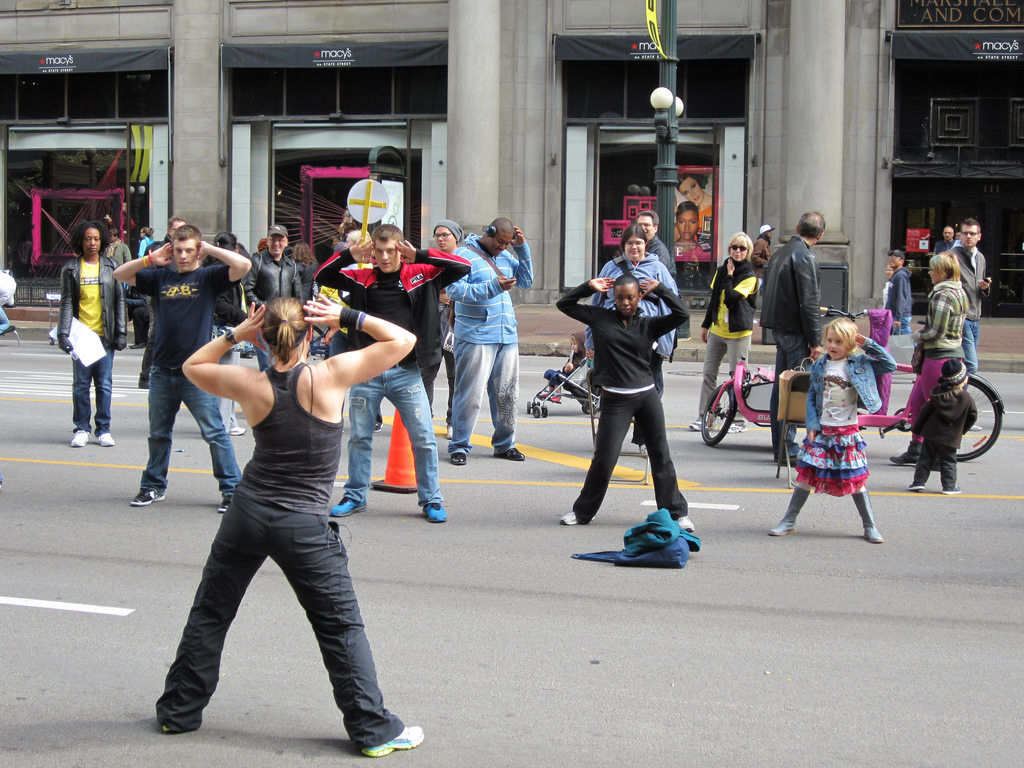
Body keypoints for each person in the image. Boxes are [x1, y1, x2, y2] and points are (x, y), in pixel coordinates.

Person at [155, 298, 424, 759]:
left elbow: (192, 365)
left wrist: (238, 332)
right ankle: (372, 729)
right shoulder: (330, 375)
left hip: (248, 512)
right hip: (302, 524)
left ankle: (178, 712)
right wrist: (346, 317)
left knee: (211, 611)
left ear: (265, 335)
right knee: (340, 628)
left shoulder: (249, 382)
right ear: (309, 334)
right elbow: (404, 340)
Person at [314, 223, 471, 523]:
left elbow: (462, 266)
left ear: (400, 248)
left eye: (390, 250)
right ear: (372, 251)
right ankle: (355, 496)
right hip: (365, 371)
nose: (384, 257)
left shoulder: (421, 272)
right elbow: (322, 276)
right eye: (379, 251)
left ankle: (431, 500)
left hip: (407, 371)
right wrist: (350, 254)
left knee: (423, 438)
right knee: (359, 438)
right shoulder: (361, 276)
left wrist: (421, 254)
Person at [114, 224, 251, 513]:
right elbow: (120, 274)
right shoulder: (159, 276)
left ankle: (232, 490)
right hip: (162, 369)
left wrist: (210, 249)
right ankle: (152, 486)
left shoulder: (209, 276)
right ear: (171, 249)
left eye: (190, 250)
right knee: (158, 434)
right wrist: (150, 259)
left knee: (215, 432)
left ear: (198, 250)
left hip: (196, 370)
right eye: (178, 250)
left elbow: (243, 264)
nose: (184, 256)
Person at [556, 273, 692, 530]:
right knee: (604, 459)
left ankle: (676, 513)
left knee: (661, 455)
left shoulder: (649, 323)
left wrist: (661, 290)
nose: (625, 302)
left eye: (630, 297)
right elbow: (565, 305)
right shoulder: (600, 317)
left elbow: (682, 315)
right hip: (615, 400)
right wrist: (588, 287)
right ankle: (583, 512)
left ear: (639, 296)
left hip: (647, 397)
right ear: (613, 298)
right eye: (620, 298)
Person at [769, 317, 896, 543]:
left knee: (856, 482)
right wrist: (812, 425)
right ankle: (789, 520)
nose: (833, 346)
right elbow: (812, 396)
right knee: (805, 477)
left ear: (850, 343)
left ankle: (869, 526)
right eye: (829, 340)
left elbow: (889, 365)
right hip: (822, 433)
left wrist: (867, 342)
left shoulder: (859, 362)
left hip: (847, 433)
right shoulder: (820, 365)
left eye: (839, 341)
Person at [447, 218, 533, 466]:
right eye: (500, 242)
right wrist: (494, 286)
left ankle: (505, 444)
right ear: (489, 232)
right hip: (476, 335)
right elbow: (455, 291)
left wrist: (522, 248)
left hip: (506, 334)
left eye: (508, 243)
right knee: (470, 394)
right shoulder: (462, 254)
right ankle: (460, 445)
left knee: (506, 394)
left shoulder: (507, 255)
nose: (502, 248)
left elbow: (526, 281)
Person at [588, 224, 678, 450]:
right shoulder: (611, 268)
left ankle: (643, 438)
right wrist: (591, 342)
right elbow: (596, 307)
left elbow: (672, 307)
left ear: (646, 245)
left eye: (639, 243)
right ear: (623, 246)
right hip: (613, 339)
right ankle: (608, 437)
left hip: (647, 339)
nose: (634, 247)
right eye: (630, 243)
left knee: (649, 388)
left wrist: (664, 346)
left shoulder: (658, 269)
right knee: (610, 386)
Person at [890, 252, 968, 467]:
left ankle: (934, 455)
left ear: (943, 271)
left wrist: (917, 335)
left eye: (933, 269)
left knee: (932, 408)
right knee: (917, 403)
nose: (930, 272)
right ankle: (916, 449)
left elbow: (936, 332)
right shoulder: (958, 291)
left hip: (939, 357)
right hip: (943, 355)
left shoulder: (944, 295)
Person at [761, 211, 826, 462]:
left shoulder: (780, 253)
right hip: (795, 331)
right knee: (794, 390)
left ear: (798, 227)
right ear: (819, 236)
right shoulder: (804, 256)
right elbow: (810, 302)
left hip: (780, 328)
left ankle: (781, 446)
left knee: (782, 388)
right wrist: (815, 341)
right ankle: (786, 447)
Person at [58, 220, 127, 448]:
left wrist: (121, 333)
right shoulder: (70, 268)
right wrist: (63, 333)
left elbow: (119, 301)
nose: (92, 243)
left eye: (96, 238)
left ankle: (103, 429)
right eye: (88, 238)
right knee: (80, 384)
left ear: (103, 241)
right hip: (81, 338)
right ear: (81, 241)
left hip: (104, 337)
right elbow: (67, 303)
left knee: (104, 384)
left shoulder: (111, 266)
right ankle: (81, 428)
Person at [690, 231, 758, 433]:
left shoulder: (750, 276)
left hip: (739, 334)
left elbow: (730, 298)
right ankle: (705, 416)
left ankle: (737, 420)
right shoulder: (721, 270)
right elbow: (714, 301)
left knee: (739, 381)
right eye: (734, 247)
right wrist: (705, 325)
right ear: (729, 249)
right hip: (718, 331)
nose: (737, 251)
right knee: (708, 374)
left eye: (742, 248)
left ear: (748, 252)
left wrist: (729, 275)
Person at [908, 359, 977, 496]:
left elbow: (924, 412)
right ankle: (949, 486)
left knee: (925, 459)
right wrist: (962, 431)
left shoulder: (936, 393)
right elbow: (972, 416)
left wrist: (918, 429)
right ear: (963, 380)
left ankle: (918, 482)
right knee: (949, 461)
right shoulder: (966, 398)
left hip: (931, 434)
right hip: (951, 437)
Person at [422, 219, 463, 440]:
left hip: (455, 323)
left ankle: (453, 421)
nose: (440, 238)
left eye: (445, 234)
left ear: (456, 236)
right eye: (437, 235)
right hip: (432, 322)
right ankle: (424, 420)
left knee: (455, 377)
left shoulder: (464, 260)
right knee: (426, 374)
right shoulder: (431, 260)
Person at [242, 225, 303, 371]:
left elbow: (298, 296)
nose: (277, 244)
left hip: (286, 323)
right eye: (273, 240)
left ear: (286, 242)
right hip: (264, 321)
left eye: (280, 240)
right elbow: (247, 290)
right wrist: (265, 307)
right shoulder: (257, 261)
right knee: (268, 366)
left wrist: (298, 318)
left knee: (286, 365)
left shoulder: (291, 265)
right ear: (268, 241)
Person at [139, 216, 187, 389]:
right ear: (169, 231)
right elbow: (145, 273)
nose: (181, 233)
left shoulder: (185, 249)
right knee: (156, 334)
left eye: (184, 230)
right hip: (160, 297)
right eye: (177, 230)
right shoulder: (158, 248)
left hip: (182, 297)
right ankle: (146, 376)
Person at [210, 232, 249, 437]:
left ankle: (230, 421)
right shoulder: (220, 272)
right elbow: (220, 304)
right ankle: (222, 426)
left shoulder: (221, 270)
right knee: (226, 380)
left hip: (228, 328)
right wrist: (242, 317)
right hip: (223, 330)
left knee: (229, 379)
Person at [951, 218, 990, 375]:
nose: (969, 236)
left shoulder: (980, 258)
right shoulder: (952, 256)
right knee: (971, 365)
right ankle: (960, 398)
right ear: (959, 235)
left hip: (975, 317)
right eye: (965, 233)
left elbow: (980, 290)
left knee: (964, 364)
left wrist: (985, 288)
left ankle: (956, 395)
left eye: (973, 234)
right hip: (961, 316)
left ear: (979, 236)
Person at [542, 330, 587, 402]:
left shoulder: (583, 358)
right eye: (571, 344)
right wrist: (566, 368)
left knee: (556, 376)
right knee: (549, 372)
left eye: (575, 344)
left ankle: (558, 395)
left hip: (574, 379)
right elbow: (566, 368)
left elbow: (578, 371)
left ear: (581, 345)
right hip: (567, 375)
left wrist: (571, 368)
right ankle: (551, 392)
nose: (572, 346)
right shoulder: (574, 355)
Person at [886, 249, 913, 335]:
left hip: (900, 317)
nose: (892, 259)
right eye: (891, 257)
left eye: (895, 257)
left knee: (907, 343)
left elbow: (902, 297)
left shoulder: (901, 276)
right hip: (894, 315)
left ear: (902, 261)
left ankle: (918, 349)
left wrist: (898, 317)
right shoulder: (896, 275)